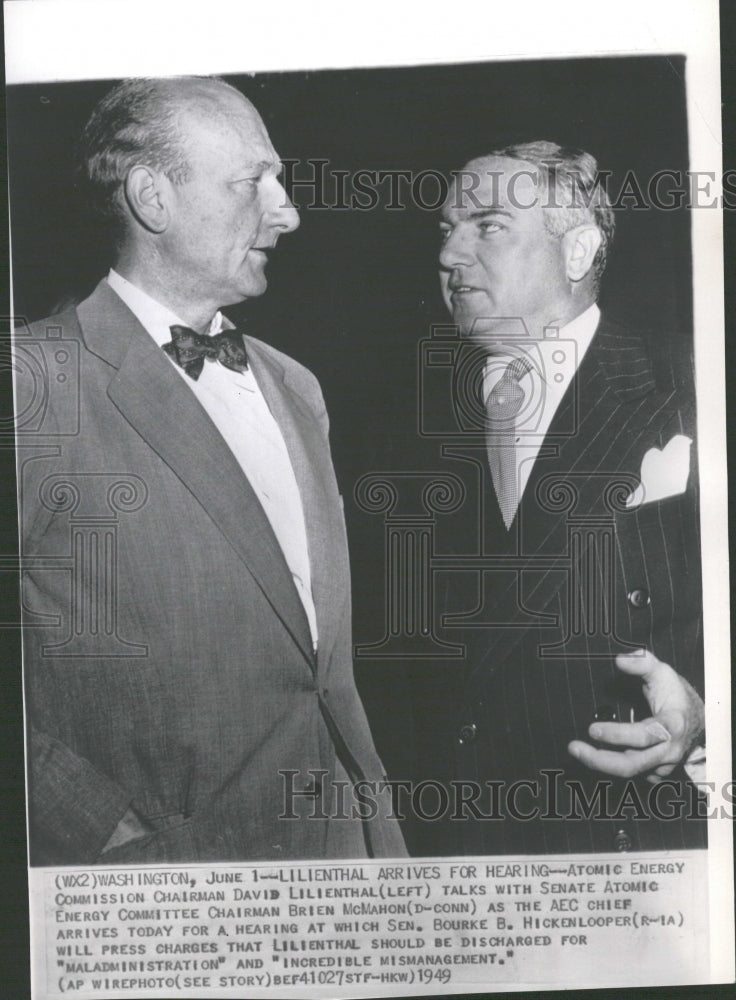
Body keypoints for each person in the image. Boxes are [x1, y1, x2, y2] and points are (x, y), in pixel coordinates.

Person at [15, 76, 405, 865]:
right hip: (169, 890)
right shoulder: (31, 381)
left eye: (282, 181)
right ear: (152, 197)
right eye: (252, 182)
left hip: (353, 867)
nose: (288, 211)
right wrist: (98, 826)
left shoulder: (296, 386)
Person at [404, 141, 705, 854]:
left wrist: (708, 716)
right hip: (454, 846)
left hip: (630, 839)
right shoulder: (404, 423)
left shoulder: (690, 385)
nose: (450, 256)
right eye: (446, 230)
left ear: (577, 253)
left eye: (488, 226)